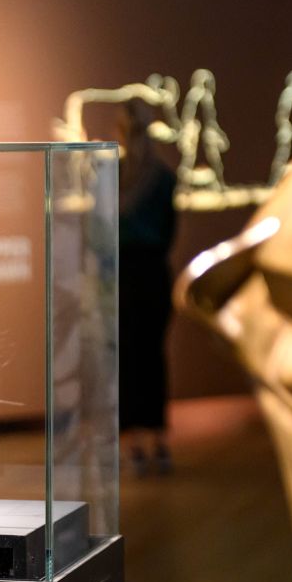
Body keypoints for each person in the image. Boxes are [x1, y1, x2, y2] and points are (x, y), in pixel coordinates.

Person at [116, 100, 179, 475]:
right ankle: (149, 439)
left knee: (139, 356)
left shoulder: (140, 177)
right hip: (144, 273)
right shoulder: (161, 177)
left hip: (136, 273)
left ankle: (144, 439)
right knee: (144, 356)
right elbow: (168, 233)